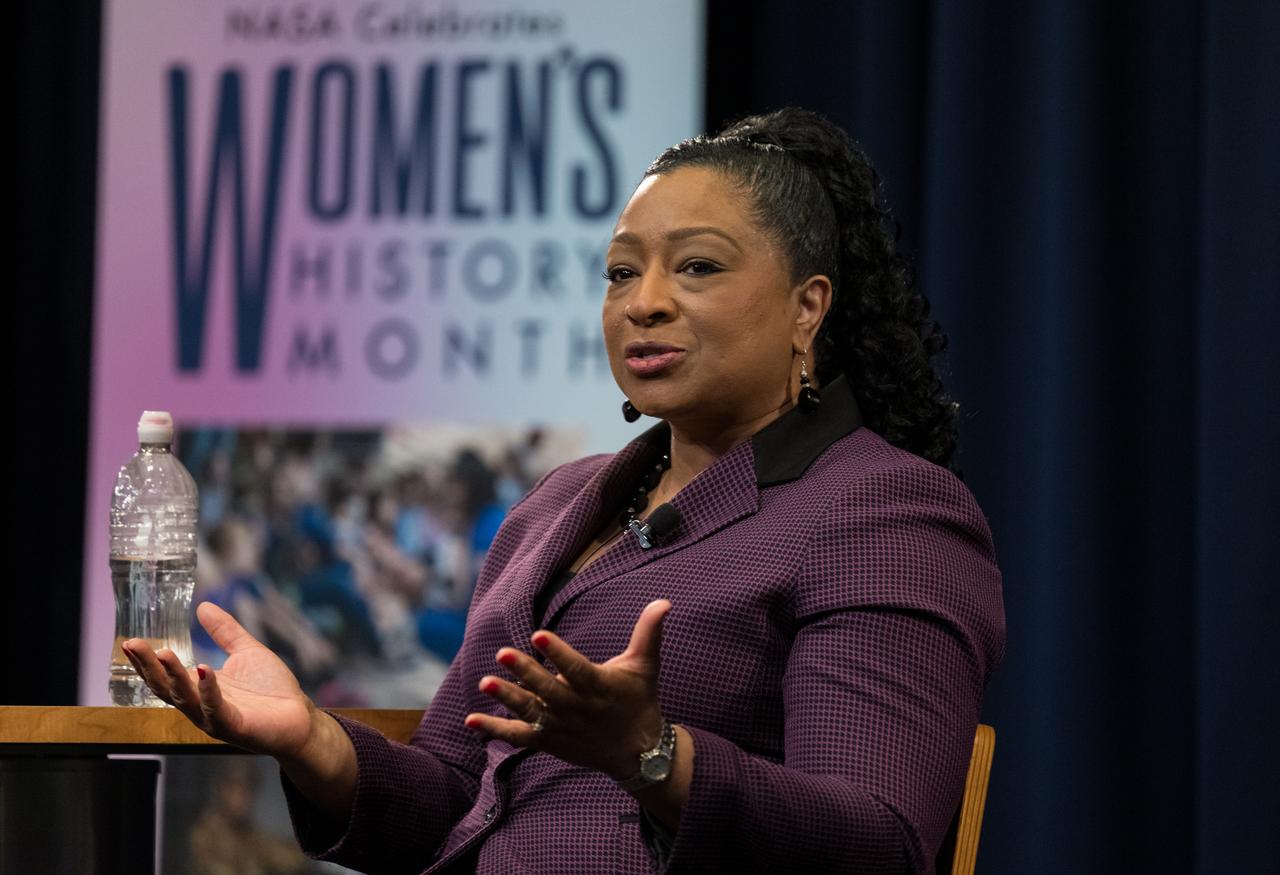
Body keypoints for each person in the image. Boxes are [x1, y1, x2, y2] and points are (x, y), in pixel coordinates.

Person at [123, 107, 1006, 874]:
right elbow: (458, 800)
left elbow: (880, 845)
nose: (643, 302)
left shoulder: (885, 512)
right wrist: (314, 738)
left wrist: (651, 755)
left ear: (808, 307)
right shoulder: (557, 505)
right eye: (622, 272)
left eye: (696, 267)